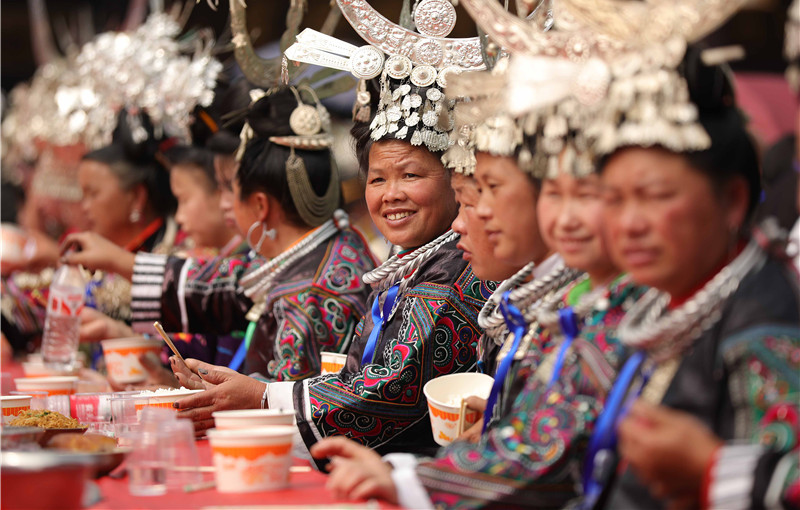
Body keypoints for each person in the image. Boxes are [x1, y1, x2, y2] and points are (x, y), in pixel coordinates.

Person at [309, 113, 644, 509]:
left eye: (488, 192)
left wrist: (412, 481)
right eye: (377, 178)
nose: (474, 217)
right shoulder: (549, 302)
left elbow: (552, 449)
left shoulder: (603, 311)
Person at [171, 64, 495, 464]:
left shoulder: (456, 272)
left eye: (410, 175)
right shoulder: (408, 260)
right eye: (377, 179)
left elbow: (388, 389)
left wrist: (258, 397)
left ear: (455, 181)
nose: (391, 194)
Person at [586, 49, 800, 510]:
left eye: (655, 196)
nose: (629, 224)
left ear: (733, 201)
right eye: (614, 199)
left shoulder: (765, 322)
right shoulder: (668, 299)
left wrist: (711, 469)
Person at [65, 86, 376, 379]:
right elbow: (219, 285)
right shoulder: (315, 252)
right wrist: (117, 260)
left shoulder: (316, 293)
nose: (224, 202)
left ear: (259, 205)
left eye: (229, 188)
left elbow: (285, 411)